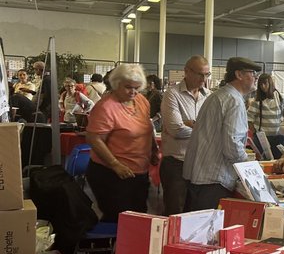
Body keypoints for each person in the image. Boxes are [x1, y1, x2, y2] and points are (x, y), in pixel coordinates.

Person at [183, 57, 260, 211]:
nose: (256, 77)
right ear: (239, 74)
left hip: (200, 176)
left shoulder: (219, 95)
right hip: (214, 180)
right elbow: (232, 146)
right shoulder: (234, 101)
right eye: (252, 73)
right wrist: (252, 168)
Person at [85, 64, 158, 222]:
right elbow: (94, 139)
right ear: (116, 84)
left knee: (139, 216)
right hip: (111, 174)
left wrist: (153, 149)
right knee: (118, 219)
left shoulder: (141, 101)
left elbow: (146, 127)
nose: (133, 92)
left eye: (137, 88)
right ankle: (113, 246)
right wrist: (115, 164)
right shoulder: (106, 107)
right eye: (128, 87)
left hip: (139, 171)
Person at [161, 55, 210, 215]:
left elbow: (216, 129)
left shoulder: (209, 97)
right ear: (186, 71)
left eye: (207, 74)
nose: (203, 79)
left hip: (201, 165)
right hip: (177, 163)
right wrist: (203, 128)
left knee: (195, 214)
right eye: (200, 74)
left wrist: (192, 124)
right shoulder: (172, 94)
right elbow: (176, 129)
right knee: (176, 214)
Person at [247, 73, 284, 159]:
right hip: (262, 138)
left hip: (279, 137)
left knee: (280, 161)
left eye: (265, 83)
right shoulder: (256, 101)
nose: (263, 86)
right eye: (261, 84)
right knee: (262, 161)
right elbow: (249, 119)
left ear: (270, 83)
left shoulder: (281, 97)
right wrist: (256, 132)